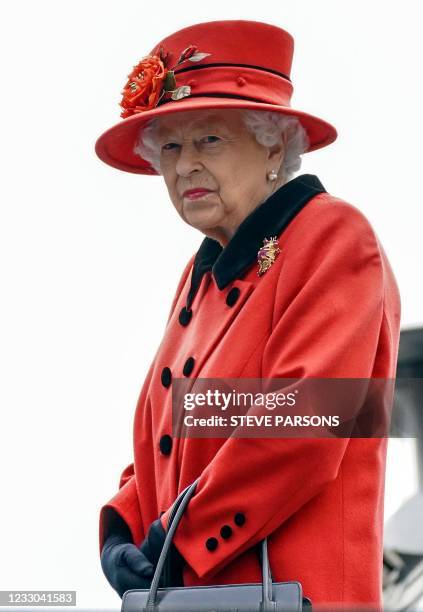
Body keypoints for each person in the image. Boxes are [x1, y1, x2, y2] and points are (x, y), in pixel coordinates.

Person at [95, 19, 401, 609]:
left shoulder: (333, 236)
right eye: (171, 147)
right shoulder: (200, 275)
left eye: (208, 140)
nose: (183, 167)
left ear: (274, 145)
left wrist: (176, 544)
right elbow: (161, 443)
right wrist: (121, 531)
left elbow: (303, 422)